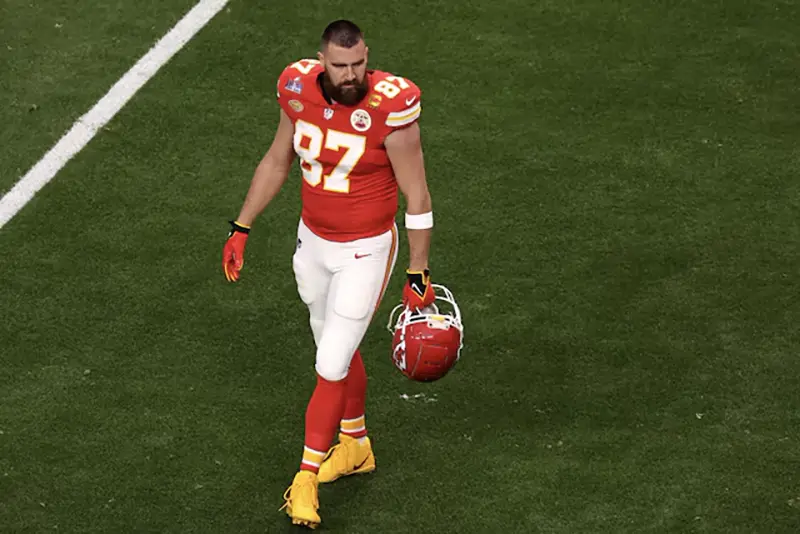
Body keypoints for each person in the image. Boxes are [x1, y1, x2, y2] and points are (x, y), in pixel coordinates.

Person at [221, 19, 436, 529]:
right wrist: (241, 226)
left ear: (367, 56)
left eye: (358, 63)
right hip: (313, 240)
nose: (350, 74)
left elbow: (418, 194)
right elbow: (277, 160)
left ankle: (305, 477)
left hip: (366, 248)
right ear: (322, 62)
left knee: (331, 361)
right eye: (340, 66)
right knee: (330, 345)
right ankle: (356, 444)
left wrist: (418, 269)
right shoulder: (295, 89)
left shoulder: (392, 108)